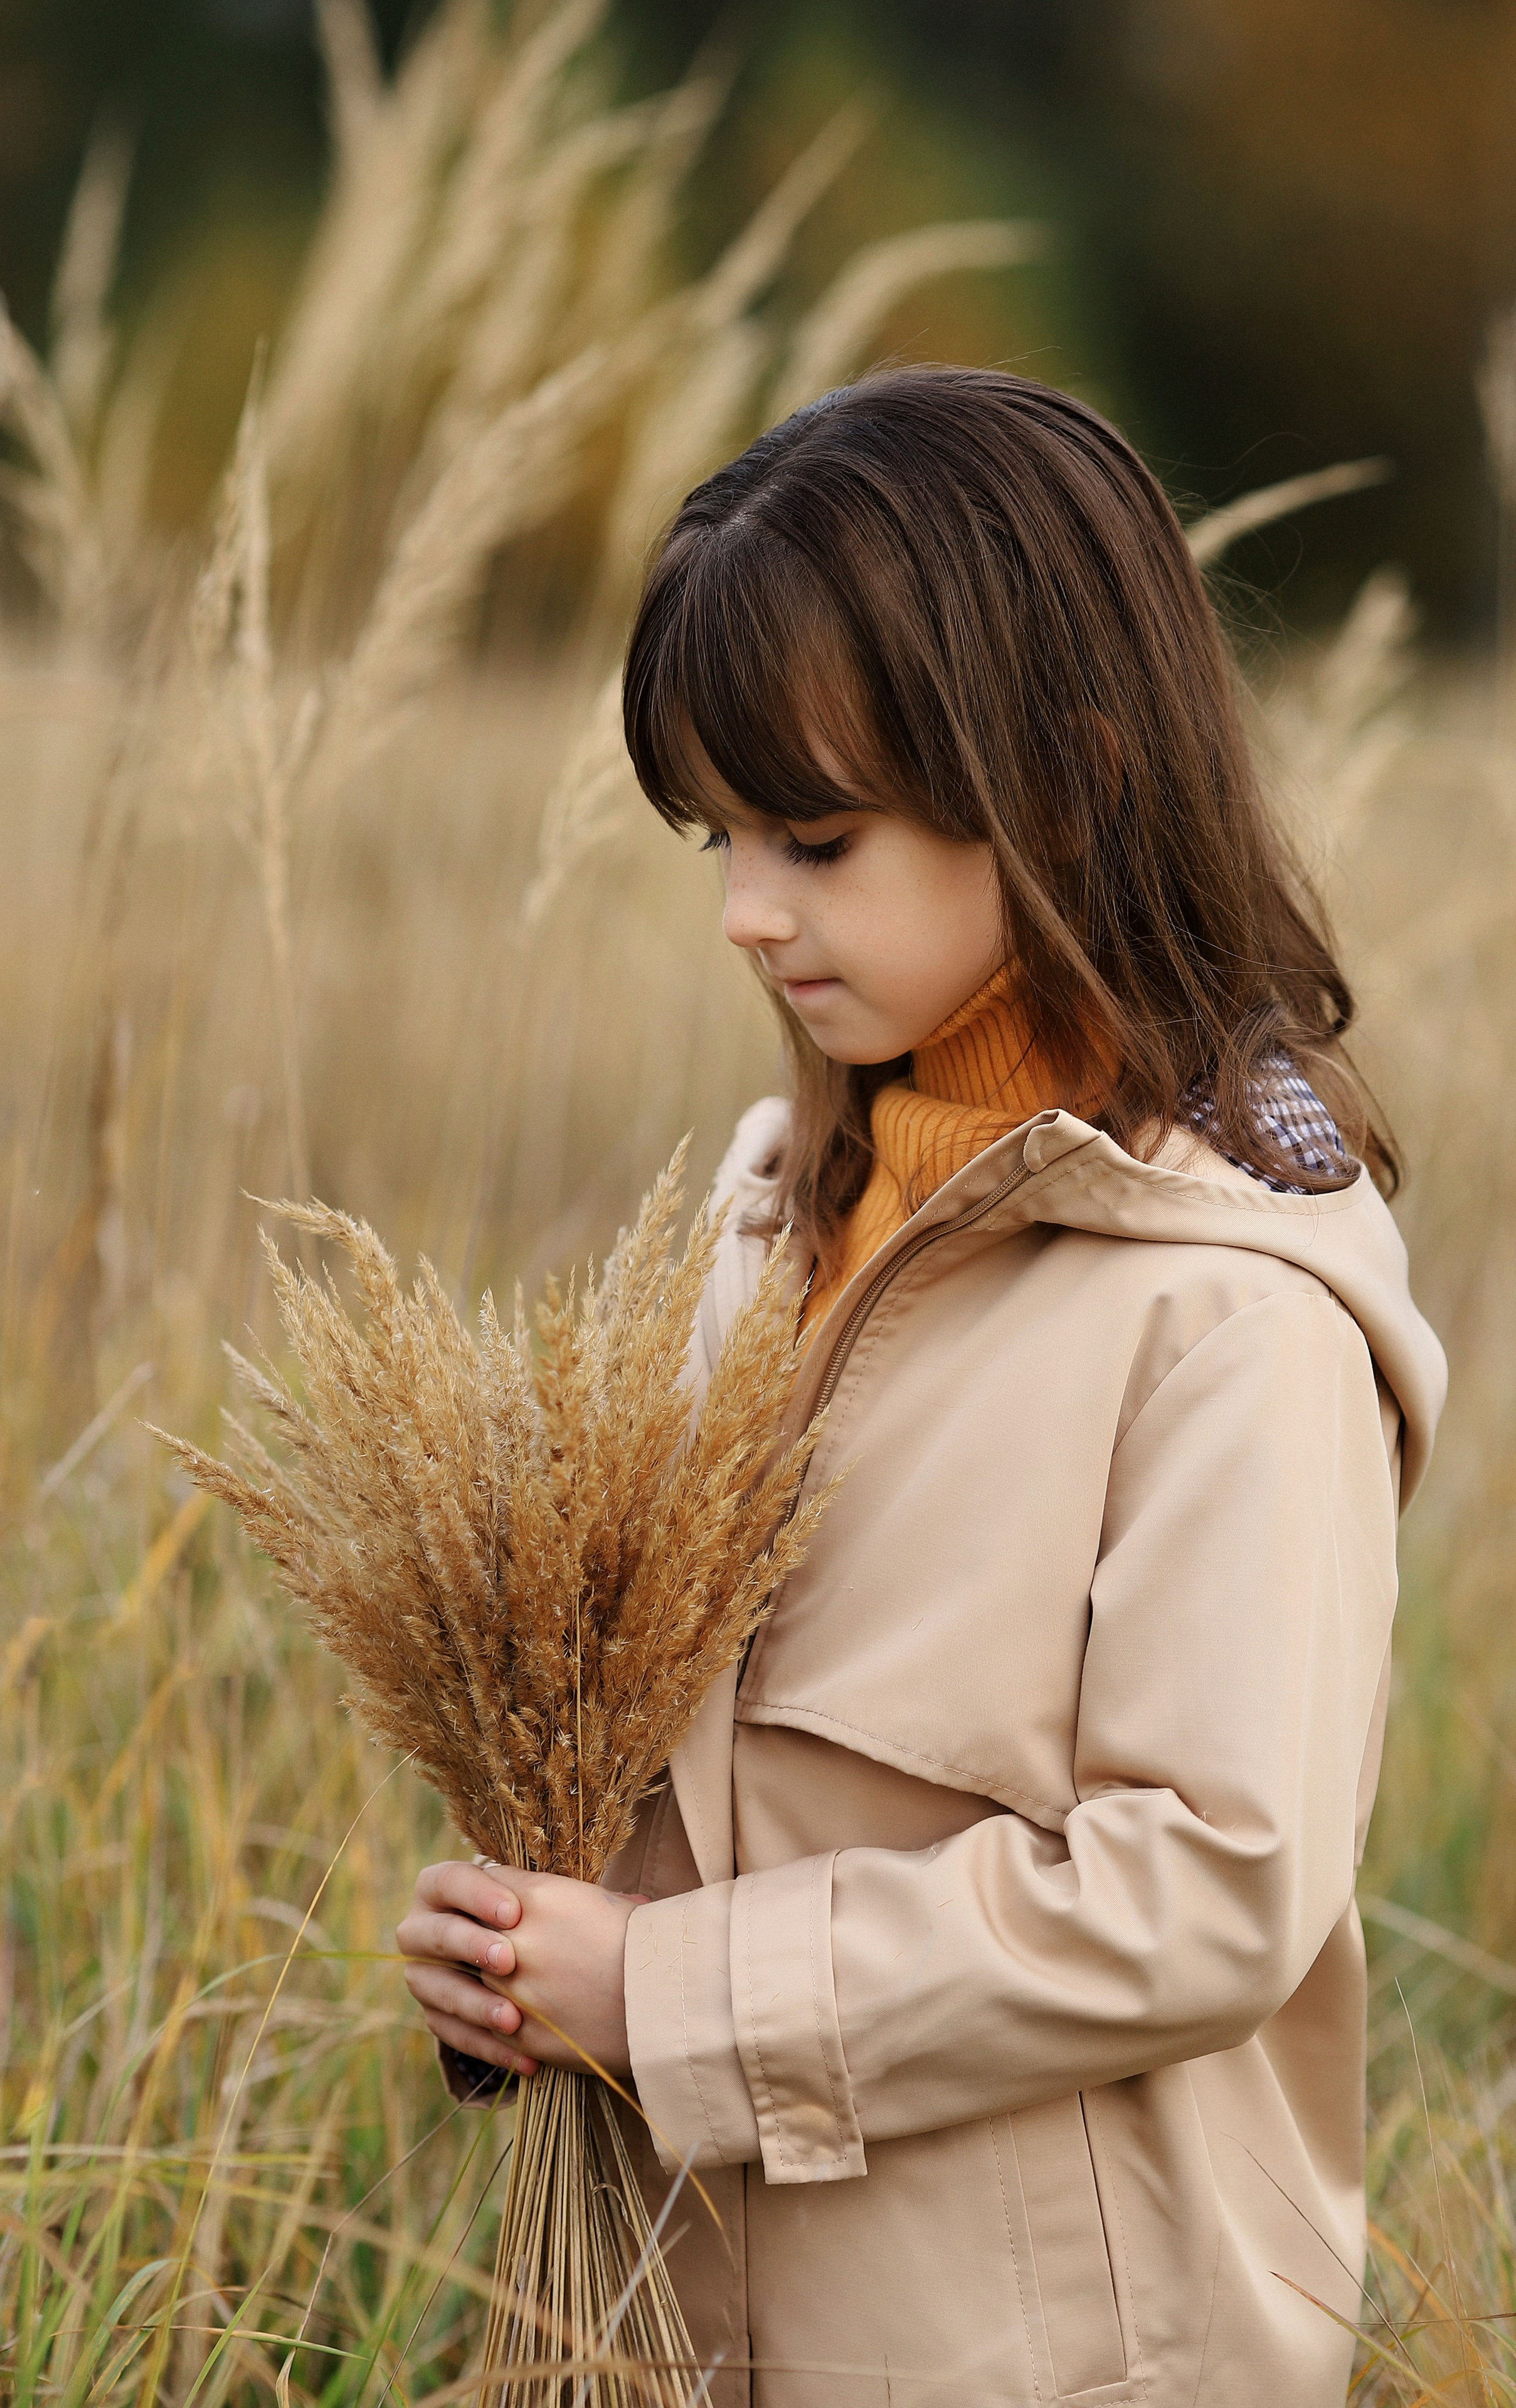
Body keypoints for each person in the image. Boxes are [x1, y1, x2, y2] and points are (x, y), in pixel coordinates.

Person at [396, 367, 1448, 2406]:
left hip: (1054, 2361)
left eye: (814, 835)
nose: (745, 913)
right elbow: (715, 1762)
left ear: (1071, 778)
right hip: (715, 2331)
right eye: (717, 836)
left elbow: (1210, 1891)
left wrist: (675, 1994)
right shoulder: (780, 1214)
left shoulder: (1230, 1319)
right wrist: (544, 1948)